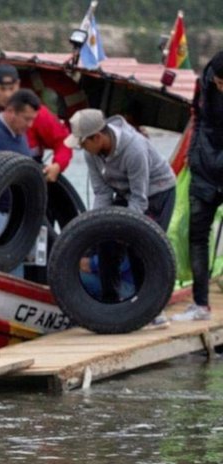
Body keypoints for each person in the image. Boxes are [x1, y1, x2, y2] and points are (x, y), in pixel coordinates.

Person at [65, 108, 177, 324]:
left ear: (97, 137)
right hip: (125, 193)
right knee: (106, 242)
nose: (81, 148)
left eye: (83, 143)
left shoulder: (134, 148)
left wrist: (125, 231)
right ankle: (110, 304)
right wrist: (98, 226)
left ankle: (152, 309)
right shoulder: (92, 153)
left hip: (156, 191)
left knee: (141, 246)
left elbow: (140, 199)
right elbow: (102, 193)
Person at [174, 51, 223, 322]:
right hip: (204, 170)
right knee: (197, 237)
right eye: (218, 82)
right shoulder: (205, 82)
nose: (221, 87)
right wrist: (192, 155)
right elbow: (197, 118)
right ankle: (201, 304)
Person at [0, 88, 41, 164]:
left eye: (32, 119)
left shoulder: (18, 130)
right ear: (11, 111)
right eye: (26, 119)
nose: (30, 125)